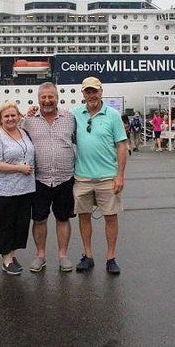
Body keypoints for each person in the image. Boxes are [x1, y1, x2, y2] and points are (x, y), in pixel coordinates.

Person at [72, 77, 128, 275]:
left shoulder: (112, 115)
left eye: (94, 91)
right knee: (84, 216)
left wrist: (120, 175)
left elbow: (122, 145)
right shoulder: (74, 114)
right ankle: (88, 255)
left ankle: (111, 257)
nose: (91, 95)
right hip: (82, 177)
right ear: (83, 94)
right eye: (88, 91)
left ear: (101, 92)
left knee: (110, 217)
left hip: (107, 177)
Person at [22, 83, 77, 273]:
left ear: (57, 97)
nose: (47, 100)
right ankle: (40, 255)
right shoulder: (28, 121)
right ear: (38, 99)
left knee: (63, 218)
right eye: (43, 97)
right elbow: (14, 138)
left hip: (65, 178)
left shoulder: (70, 118)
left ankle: (63, 256)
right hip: (39, 179)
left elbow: (78, 141)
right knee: (39, 219)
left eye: (50, 97)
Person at [0, 102, 36, 275]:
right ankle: (6, 259)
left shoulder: (23, 133)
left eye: (13, 115)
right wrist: (19, 168)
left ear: (19, 116)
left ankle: (12, 255)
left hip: (25, 189)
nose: (10, 119)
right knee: (5, 224)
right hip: (3, 190)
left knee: (20, 224)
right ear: (0, 119)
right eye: (6, 116)